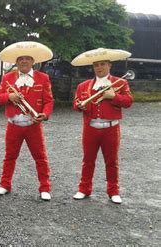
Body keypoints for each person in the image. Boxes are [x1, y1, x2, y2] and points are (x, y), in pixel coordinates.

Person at [71, 48, 133, 204]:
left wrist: (114, 96)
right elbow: (76, 105)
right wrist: (80, 106)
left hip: (111, 128)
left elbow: (128, 102)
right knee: (88, 160)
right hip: (90, 128)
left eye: (103, 64)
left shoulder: (120, 82)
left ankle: (114, 191)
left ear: (109, 65)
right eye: (96, 65)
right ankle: (84, 189)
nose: (99, 68)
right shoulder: (83, 86)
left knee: (111, 161)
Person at [0, 41, 54, 201]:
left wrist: (45, 114)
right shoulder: (7, 78)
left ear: (33, 61)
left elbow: (49, 101)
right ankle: (5, 185)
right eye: (21, 59)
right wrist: (9, 96)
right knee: (9, 156)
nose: (24, 61)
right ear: (16, 62)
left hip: (33, 125)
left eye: (27, 59)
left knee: (40, 157)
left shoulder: (43, 78)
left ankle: (45, 188)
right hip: (13, 124)